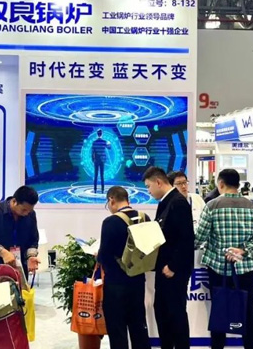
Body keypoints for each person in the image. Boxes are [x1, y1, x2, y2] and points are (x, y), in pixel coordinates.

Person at [195, 169, 253, 349]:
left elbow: (200, 237)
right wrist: (243, 250)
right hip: (245, 268)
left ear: (221, 184)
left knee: (219, 310)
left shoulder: (212, 206)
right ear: (238, 184)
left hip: (218, 268)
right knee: (248, 310)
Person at [143, 167, 194, 349]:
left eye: (148, 186)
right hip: (163, 269)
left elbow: (186, 239)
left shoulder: (178, 203)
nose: (148, 191)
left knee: (175, 315)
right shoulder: (165, 202)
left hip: (173, 272)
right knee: (163, 313)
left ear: (158, 182)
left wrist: (173, 266)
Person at [98, 186, 152, 349]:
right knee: (138, 325)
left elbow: (104, 255)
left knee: (117, 329)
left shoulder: (110, 222)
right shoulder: (145, 218)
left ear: (111, 200)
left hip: (116, 283)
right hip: (138, 280)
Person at [0, 186, 40, 281]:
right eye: (24, 210)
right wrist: (3, 252)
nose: (26, 213)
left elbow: (33, 240)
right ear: (14, 201)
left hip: (19, 268)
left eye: (29, 210)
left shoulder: (31, 215)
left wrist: (31, 256)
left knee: (19, 290)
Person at [92, 129, 109, 194]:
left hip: (96, 160)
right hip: (102, 160)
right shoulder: (104, 142)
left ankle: (95, 189)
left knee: (96, 175)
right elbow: (109, 148)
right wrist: (109, 144)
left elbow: (92, 152)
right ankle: (102, 189)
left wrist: (93, 160)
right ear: (102, 134)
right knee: (102, 175)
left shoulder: (94, 142)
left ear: (97, 134)